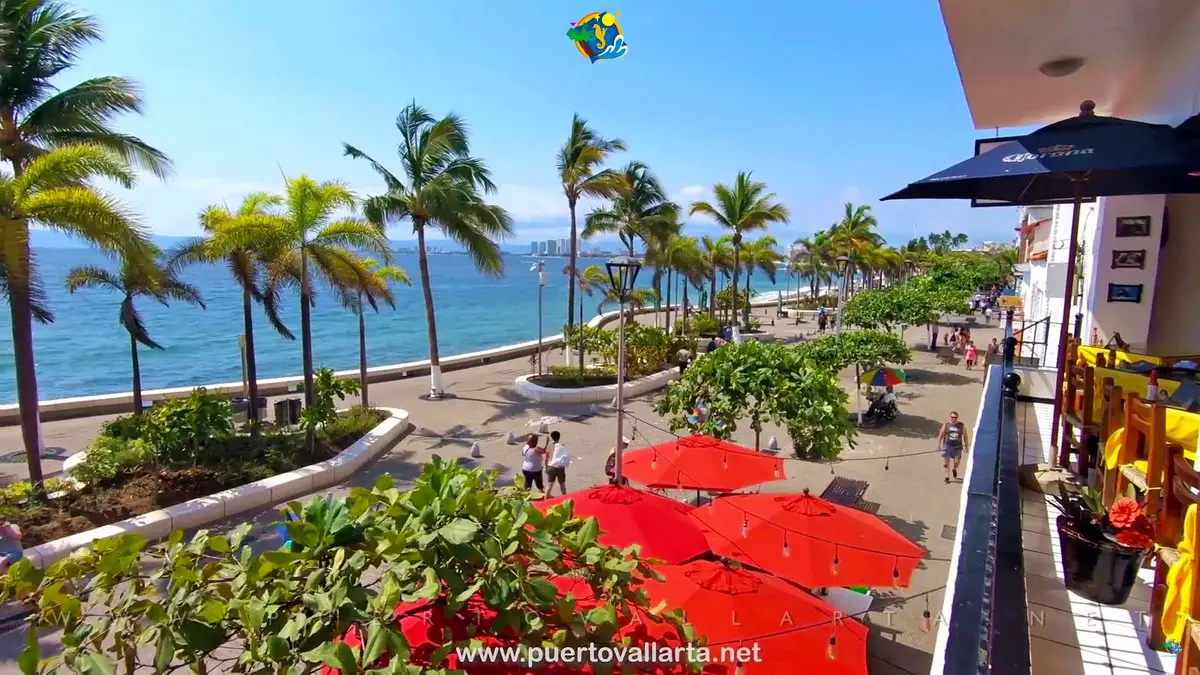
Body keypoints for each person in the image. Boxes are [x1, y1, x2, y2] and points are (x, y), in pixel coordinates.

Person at [937, 411, 968, 484]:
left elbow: (965, 436)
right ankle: (947, 476)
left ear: (957, 418)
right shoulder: (946, 425)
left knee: (956, 462)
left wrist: (966, 446)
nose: (953, 419)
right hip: (948, 445)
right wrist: (938, 445)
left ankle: (954, 469)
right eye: (952, 417)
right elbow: (940, 435)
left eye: (955, 417)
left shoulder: (961, 425)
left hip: (957, 446)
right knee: (946, 461)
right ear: (950, 417)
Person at [545, 431, 570, 497]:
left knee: (550, 485)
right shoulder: (562, 446)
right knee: (562, 485)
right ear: (559, 437)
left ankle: (545, 498)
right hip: (560, 468)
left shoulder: (549, 447)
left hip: (551, 467)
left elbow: (546, 458)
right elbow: (565, 457)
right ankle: (565, 498)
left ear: (552, 437)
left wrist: (546, 468)